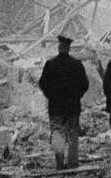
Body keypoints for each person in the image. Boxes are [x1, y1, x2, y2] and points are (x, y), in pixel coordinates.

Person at [38, 34, 89, 169]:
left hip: (56, 106)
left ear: (59, 47)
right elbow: (85, 84)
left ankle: (60, 162)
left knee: (58, 132)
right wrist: (77, 95)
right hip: (72, 105)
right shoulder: (76, 65)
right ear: (68, 48)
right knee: (73, 133)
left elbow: (42, 83)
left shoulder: (50, 64)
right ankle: (72, 162)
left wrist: (50, 96)